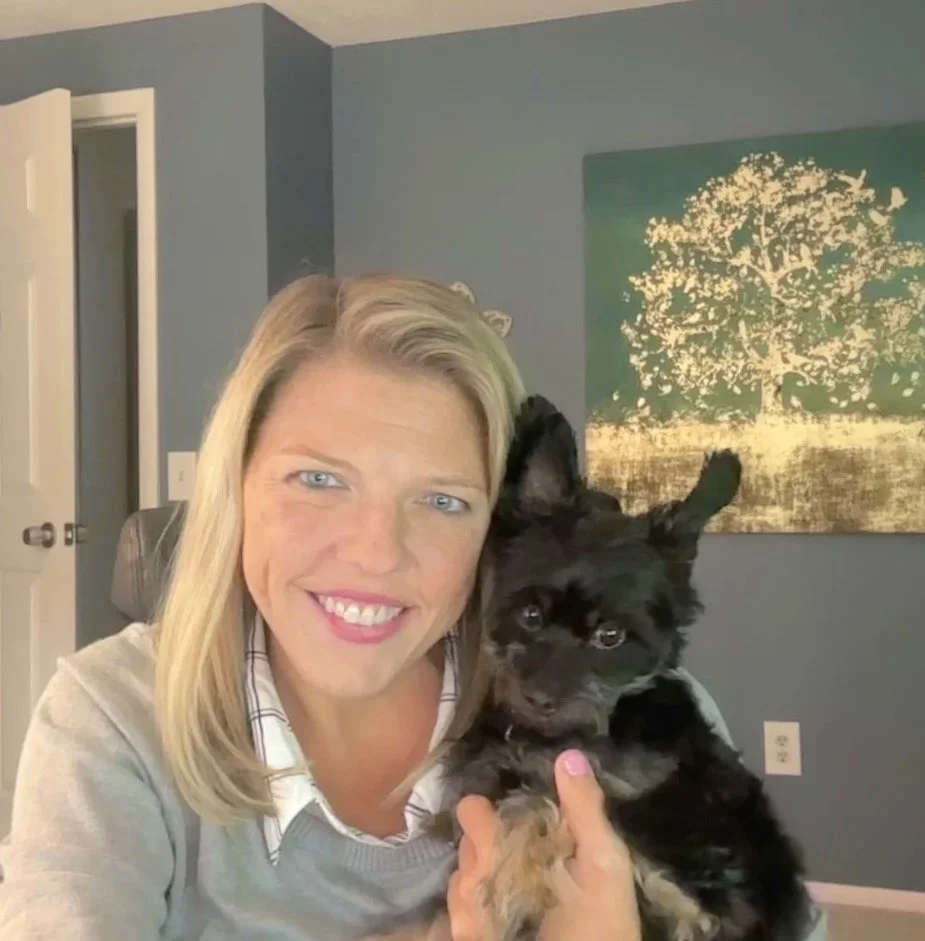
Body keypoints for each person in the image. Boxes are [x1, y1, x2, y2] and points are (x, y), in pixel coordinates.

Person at [0, 274, 827, 940]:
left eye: (441, 500)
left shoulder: (639, 715)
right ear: (234, 488)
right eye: (318, 479)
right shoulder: (112, 722)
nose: (373, 552)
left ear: (498, 530)